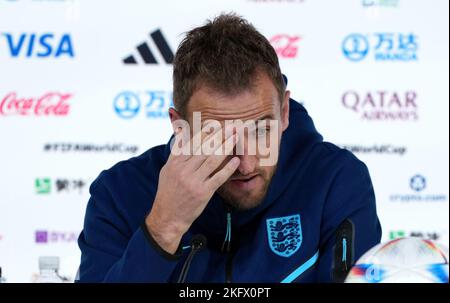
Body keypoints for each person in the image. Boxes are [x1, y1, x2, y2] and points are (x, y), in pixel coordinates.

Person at [77, 13, 381, 283]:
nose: (245, 163)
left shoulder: (336, 181)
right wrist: (163, 228)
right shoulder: (119, 193)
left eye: (262, 131)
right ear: (180, 127)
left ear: (284, 112)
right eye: (218, 138)